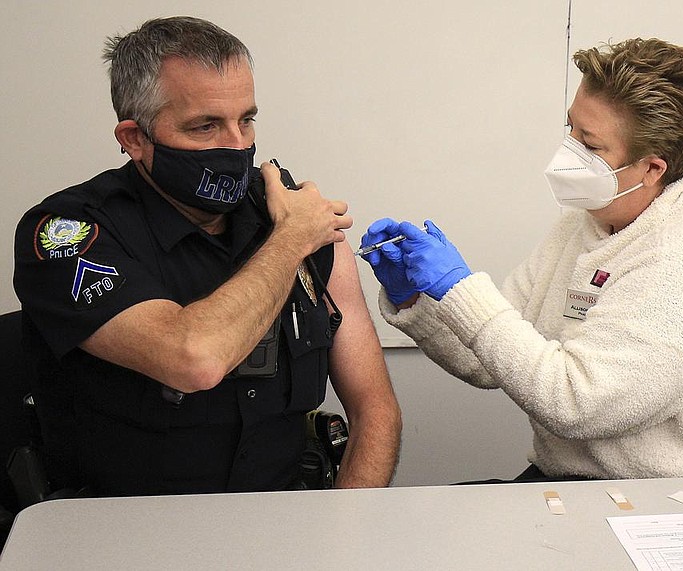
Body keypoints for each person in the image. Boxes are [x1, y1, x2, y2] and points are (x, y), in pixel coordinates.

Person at [361, 38, 683, 480]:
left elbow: (576, 403)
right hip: (583, 485)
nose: (567, 154)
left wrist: (461, 288)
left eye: (589, 145)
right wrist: (416, 296)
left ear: (652, 169)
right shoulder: (587, 223)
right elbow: (485, 357)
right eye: (571, 128)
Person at [13, 16, 401, 496]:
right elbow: (194, 360)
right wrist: (290, 241)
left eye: (247, 119)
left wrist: (347, 532)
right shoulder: (69, 232)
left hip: (282, 524)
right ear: (135, 139)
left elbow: (375, 410)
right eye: (205, 126)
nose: (237, 145)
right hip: (119, 532)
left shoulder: (291, 218)